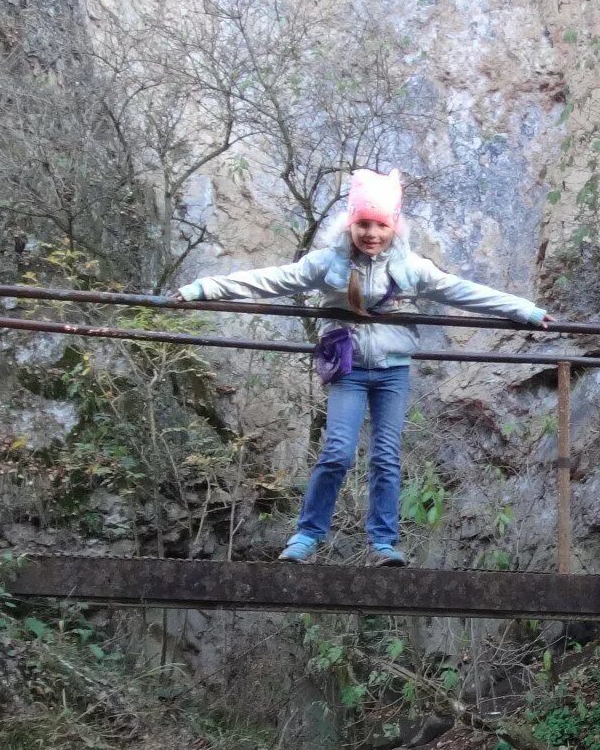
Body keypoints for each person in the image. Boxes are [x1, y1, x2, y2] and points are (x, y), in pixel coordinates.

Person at [176, 168, 551, 563]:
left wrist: (525, 311)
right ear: (351, 225)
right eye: (363, 224)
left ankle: (382, 544)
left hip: (392, 369)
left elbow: (465, 293)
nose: (371, 233)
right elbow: (271, 280)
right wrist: (203, 288)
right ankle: (306, 536)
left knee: (386, 455)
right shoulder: (329, 263)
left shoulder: (410, 267)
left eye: (380, 225)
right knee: (337, 451)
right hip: (349, 369)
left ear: (393, 228)